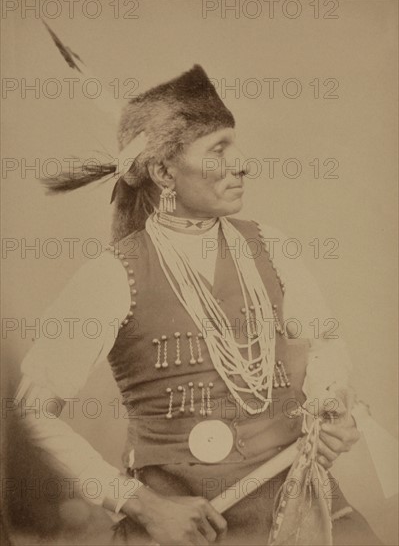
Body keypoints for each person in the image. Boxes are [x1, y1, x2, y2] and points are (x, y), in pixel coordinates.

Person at [14, 65, 382, 545]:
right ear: (165, 171)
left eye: (236, 144)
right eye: (218, 150)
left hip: (300, 504)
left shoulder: (272, 246)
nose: (243, 162)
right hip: (188, 526)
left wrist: (331, 408)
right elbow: (27, 413)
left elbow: (326, 342)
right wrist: (141, 504)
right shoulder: (111, 276)